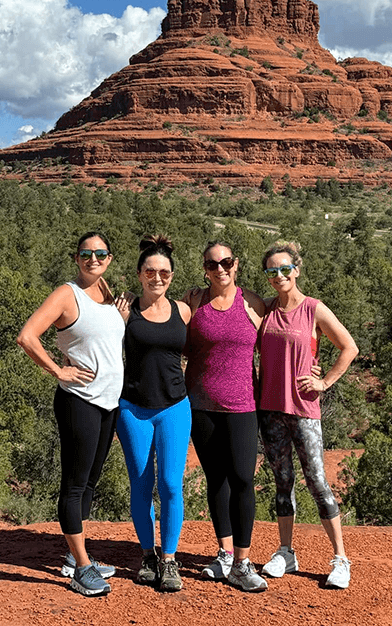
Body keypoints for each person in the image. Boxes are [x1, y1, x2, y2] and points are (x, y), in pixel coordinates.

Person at [16, 232, 127, 597]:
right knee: (75, 484)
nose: (93, 259)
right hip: (79, 400)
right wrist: (57, 370)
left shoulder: (107, 292)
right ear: (75, 257)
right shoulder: (67, 294)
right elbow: (27, 336)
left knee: (90, 481)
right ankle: (81, 569)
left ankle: (74, 555)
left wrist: (120, 315)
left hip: (108, 401)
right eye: (85, 253)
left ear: (109, 258)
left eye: (100, 253)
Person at [256, 240, 359, 589]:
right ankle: (286, 551)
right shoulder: (267, 310)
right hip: (269, 408)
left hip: (303, 409)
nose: (279, 276)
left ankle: (340, 558)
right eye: (272, 271)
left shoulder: (314, 309)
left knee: (316, 480)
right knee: (282, 482)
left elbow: (349, 347)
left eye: (285, 269)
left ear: (296, 270)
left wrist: (325, 381)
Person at [183, 241, 268, 592]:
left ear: (237, 265)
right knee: (216, 479)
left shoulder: (253, 302)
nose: (220, 269)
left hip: (244, 404)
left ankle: (242, 562)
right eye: (212, 263)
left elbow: (276, 343)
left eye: (226, 262)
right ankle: (224, 552)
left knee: (243, 479)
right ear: (204, 268)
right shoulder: (194, 301)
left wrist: (310, 364)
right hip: (201, 404)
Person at [115, 235, 192, 592]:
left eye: (163, 272)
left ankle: (169, 559)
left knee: (172, 485)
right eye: (150, 271)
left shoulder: (183, 310)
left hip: (175, 407)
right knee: (142, 486)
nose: (156, 278)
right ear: (139, 273)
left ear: (172, 276)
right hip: (133, 409)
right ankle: (147, 554)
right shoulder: (125, 310)